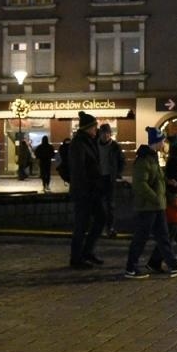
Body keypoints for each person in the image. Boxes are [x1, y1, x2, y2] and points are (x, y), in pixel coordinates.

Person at [126, 127, 177, 279]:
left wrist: (167, 182)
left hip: (158, 205)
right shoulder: (144, 160)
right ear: (156, 142)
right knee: (141, 237)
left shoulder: (153, 158)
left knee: (163, 237)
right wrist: (155, 197)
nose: (164, 144)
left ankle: (173, 266)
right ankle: (131, 268)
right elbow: (140, 184)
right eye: (162, 141)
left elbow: (156, 179)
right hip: (148, 207)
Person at [67, 113, 106, 268]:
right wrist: (85, 188)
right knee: (81, 225)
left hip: (93, 190)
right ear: (88, 128)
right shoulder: (78, 144)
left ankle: (87, 251)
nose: (96, 129)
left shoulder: (90, 141)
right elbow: (78, 170)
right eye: (94, 126)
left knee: (101, 218)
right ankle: (76, 258)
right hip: (84, 191)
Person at [98, 123, 124, 237]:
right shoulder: (95, 145)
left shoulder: (115, 146)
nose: (105, 136)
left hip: (110, 178)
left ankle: (110, 227)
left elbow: (121, 161)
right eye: (103, 133)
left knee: (110, 204)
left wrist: (118, 174)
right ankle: (98, 227)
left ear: (110, 134)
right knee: (98, 204)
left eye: (107, 133)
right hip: (98, 178)